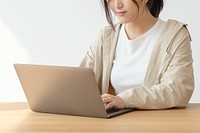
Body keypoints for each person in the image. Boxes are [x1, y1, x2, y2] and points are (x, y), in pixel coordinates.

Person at [80, 0, 194, 110]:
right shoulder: (106, 37)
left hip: (157, 123)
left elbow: (178, 90)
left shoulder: (175, 35)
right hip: (115, 123)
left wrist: (125, 100)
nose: (116, 5)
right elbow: (80, 81)